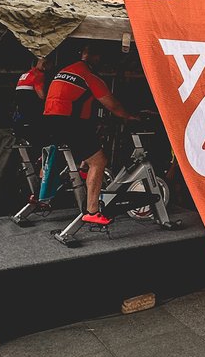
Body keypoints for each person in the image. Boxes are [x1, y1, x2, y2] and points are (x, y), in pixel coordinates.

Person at [41, 43, 138, 226]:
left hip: (50, 120)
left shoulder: (65, 70)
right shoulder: (89, 75)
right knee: (99, 161)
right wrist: (130, 117)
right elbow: (112, 105)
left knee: (87, 153)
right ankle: (92, 210)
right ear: (96, 58)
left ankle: (84, 176)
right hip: (69, 122)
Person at [13, 56, 47, 146]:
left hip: (19, 116)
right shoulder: (39, 75)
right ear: (45, 65)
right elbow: (42, 95)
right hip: (32, 116)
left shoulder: (25, 74)